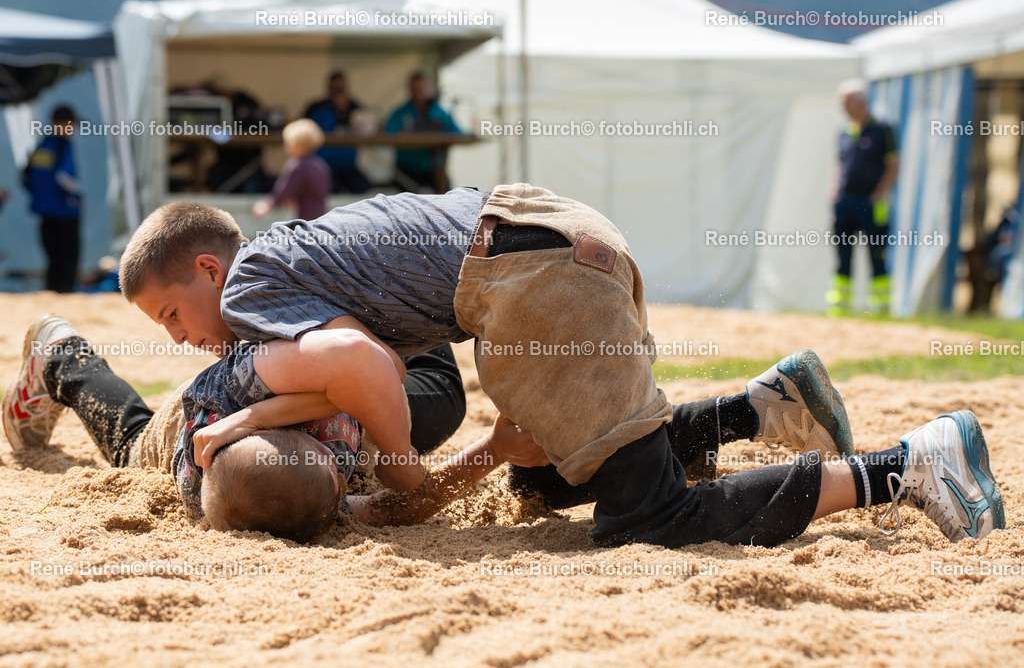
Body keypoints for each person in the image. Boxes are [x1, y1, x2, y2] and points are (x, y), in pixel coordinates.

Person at [117, 186, 1004, 547]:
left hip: (529, 279)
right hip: (546, 244)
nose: (183, 337)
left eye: (170, 314)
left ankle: (910, 465)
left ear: (206, 271)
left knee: (647, 519)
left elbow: (357, 366)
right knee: (548, 480)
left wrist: (402, 470)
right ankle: (765, 405)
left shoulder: (247, 293)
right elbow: (354, 362)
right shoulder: (289, 257)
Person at [1, 315, 475, 541]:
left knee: (129, 446)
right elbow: (406, 505)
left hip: (214, 403)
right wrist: (493, 447)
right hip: (298, 392)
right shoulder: (324, 491)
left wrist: (255, 415)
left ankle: (61, 355)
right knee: (443, 399)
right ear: (337, 486)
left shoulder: (197, 460)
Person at [827, 78, 900, 316]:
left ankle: (879, 307)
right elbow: (840, 164)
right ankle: (840, 304)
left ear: (861, 101)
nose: (843, 107)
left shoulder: (882, 129)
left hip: (871, 202)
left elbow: (893, 165)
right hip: (845, 201)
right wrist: (835, 191)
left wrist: (878, 195)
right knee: (843, 253)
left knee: (876, 253)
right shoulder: (844, 131)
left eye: (847, 102)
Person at [22, 105, 81, 293]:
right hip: (65, 212)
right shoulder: (62, 146)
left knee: (53, 260)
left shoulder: (42, 146)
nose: (73, 129)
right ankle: (65, 298)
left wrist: (42, 198)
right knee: (68, 260)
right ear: (61, 124)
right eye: (71, 125)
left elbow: (25, 178)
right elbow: (64, 177)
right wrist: (77, 195)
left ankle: (53, 295)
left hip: (45, 213)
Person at [384, 71, 461, 193]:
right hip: (407, 169)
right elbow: (388, 132)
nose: (419, 91)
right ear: (409, 89)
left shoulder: (440, 113)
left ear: (429, 88)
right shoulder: (401, 113)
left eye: (422, 87)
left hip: (433, 169)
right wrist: (401, 135)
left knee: (447, 190)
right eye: (416, 88)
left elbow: (458, 132)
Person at [304, 72, 371, 194]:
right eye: (335, 89)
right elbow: (307, 130)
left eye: (341, 89)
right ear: (328, 88)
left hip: (348, 165)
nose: (338, 92)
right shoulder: (316, 108)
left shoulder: (355, 108)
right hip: (323, 165)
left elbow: (368, 128)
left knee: (363, 186)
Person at [253, 119, 331, 221]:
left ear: (298, 144)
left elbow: (284, 190)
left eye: (288, 143)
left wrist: (267, 206)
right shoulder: (320, 164)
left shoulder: (297, 165)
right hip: (321, 216)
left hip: (304, 219)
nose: (286, 146)